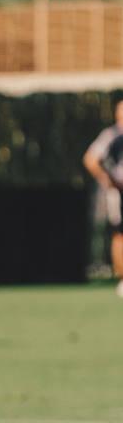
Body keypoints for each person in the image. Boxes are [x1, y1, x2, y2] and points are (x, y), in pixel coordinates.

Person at [82, 99, 123, 298]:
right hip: (119, 193)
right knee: (120, 233)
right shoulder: (111, 135)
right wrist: (108, 180)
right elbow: (90, 159)